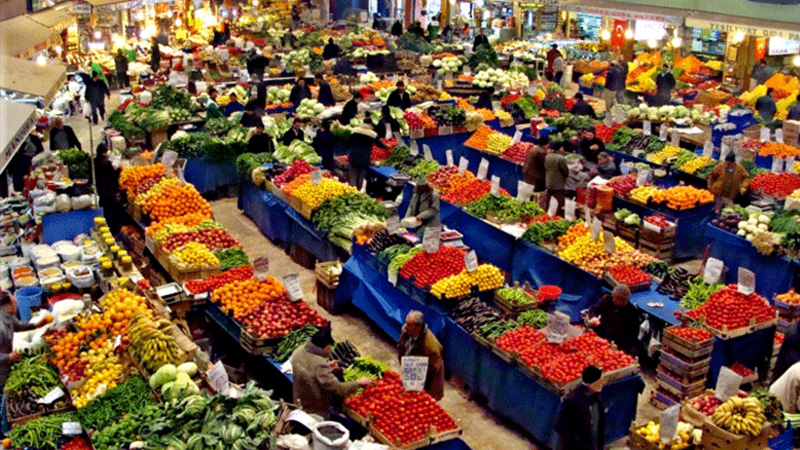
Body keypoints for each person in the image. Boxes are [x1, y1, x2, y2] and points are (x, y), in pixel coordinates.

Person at [290, 327, 373, 417]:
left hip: (299, 398)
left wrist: (327, 366)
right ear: (325, 347)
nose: (330, 350)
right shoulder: (320, 364)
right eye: (329, 348)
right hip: (314, 408)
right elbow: (339, 389)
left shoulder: (299, 351)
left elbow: (308, 368)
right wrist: (358, 383)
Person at [1, 291, 52, 434]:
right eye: (15, 304)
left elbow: (19, 326)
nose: (17, 306)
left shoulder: (7, 316)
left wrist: (38, 325)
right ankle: (5, 432)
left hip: (6, 366)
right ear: (9, 307)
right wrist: (8, 357)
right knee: (5, 399)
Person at [555, 366, 606, 450]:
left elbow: (599, 425)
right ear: (592, 384)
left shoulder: (596, 398)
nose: (603, 383)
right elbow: (560, 425)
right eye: (600, 381)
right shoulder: (573, 400)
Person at [397, 311, 444, 400]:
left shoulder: (430, 347)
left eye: (409, 325)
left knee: (423, 401)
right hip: (412, 372)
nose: (405, 326)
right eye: (406, 322)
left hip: (428, 380)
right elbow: (401, 346)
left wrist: (417, 377)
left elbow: (434, 368)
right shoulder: (405, 330)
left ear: (418, 327)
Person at [587, 285, 642, 356]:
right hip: (601, 334)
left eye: (617, 300)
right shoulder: (607, 300)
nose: (614, 301)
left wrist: (620, 347)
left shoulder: (632, 312)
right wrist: (593, 317)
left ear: (624, 301)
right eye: (614, 298)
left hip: (618, 342)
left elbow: (633, 335)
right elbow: (593, 309)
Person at [94, 142, 122, 232]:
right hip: (109, 190)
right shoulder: (106, 163)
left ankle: (107, 226)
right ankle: (113, 229)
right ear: (105, 152)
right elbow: (113, 175)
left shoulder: (94, 161)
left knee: (105, 210)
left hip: (100, 189)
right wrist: (118, 170)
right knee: (112, 210)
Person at [347, 123, 385, 189]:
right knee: (361, 174)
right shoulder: (372, 134)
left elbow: (348, 141)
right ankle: (358, 188)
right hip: (364, 156)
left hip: (353, 154)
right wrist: (387, 147)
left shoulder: (354, 131)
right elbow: (380, 144)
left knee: (353, 173)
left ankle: (352, 189)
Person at [544, 142, 569, 211]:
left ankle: (548, 212)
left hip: (548, 182)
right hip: (558, 183)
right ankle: (557, 214)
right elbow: (565, 171)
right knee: (559, 201)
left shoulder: (547, 156)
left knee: (549, 200)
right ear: (559, 148)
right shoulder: (561, 158)